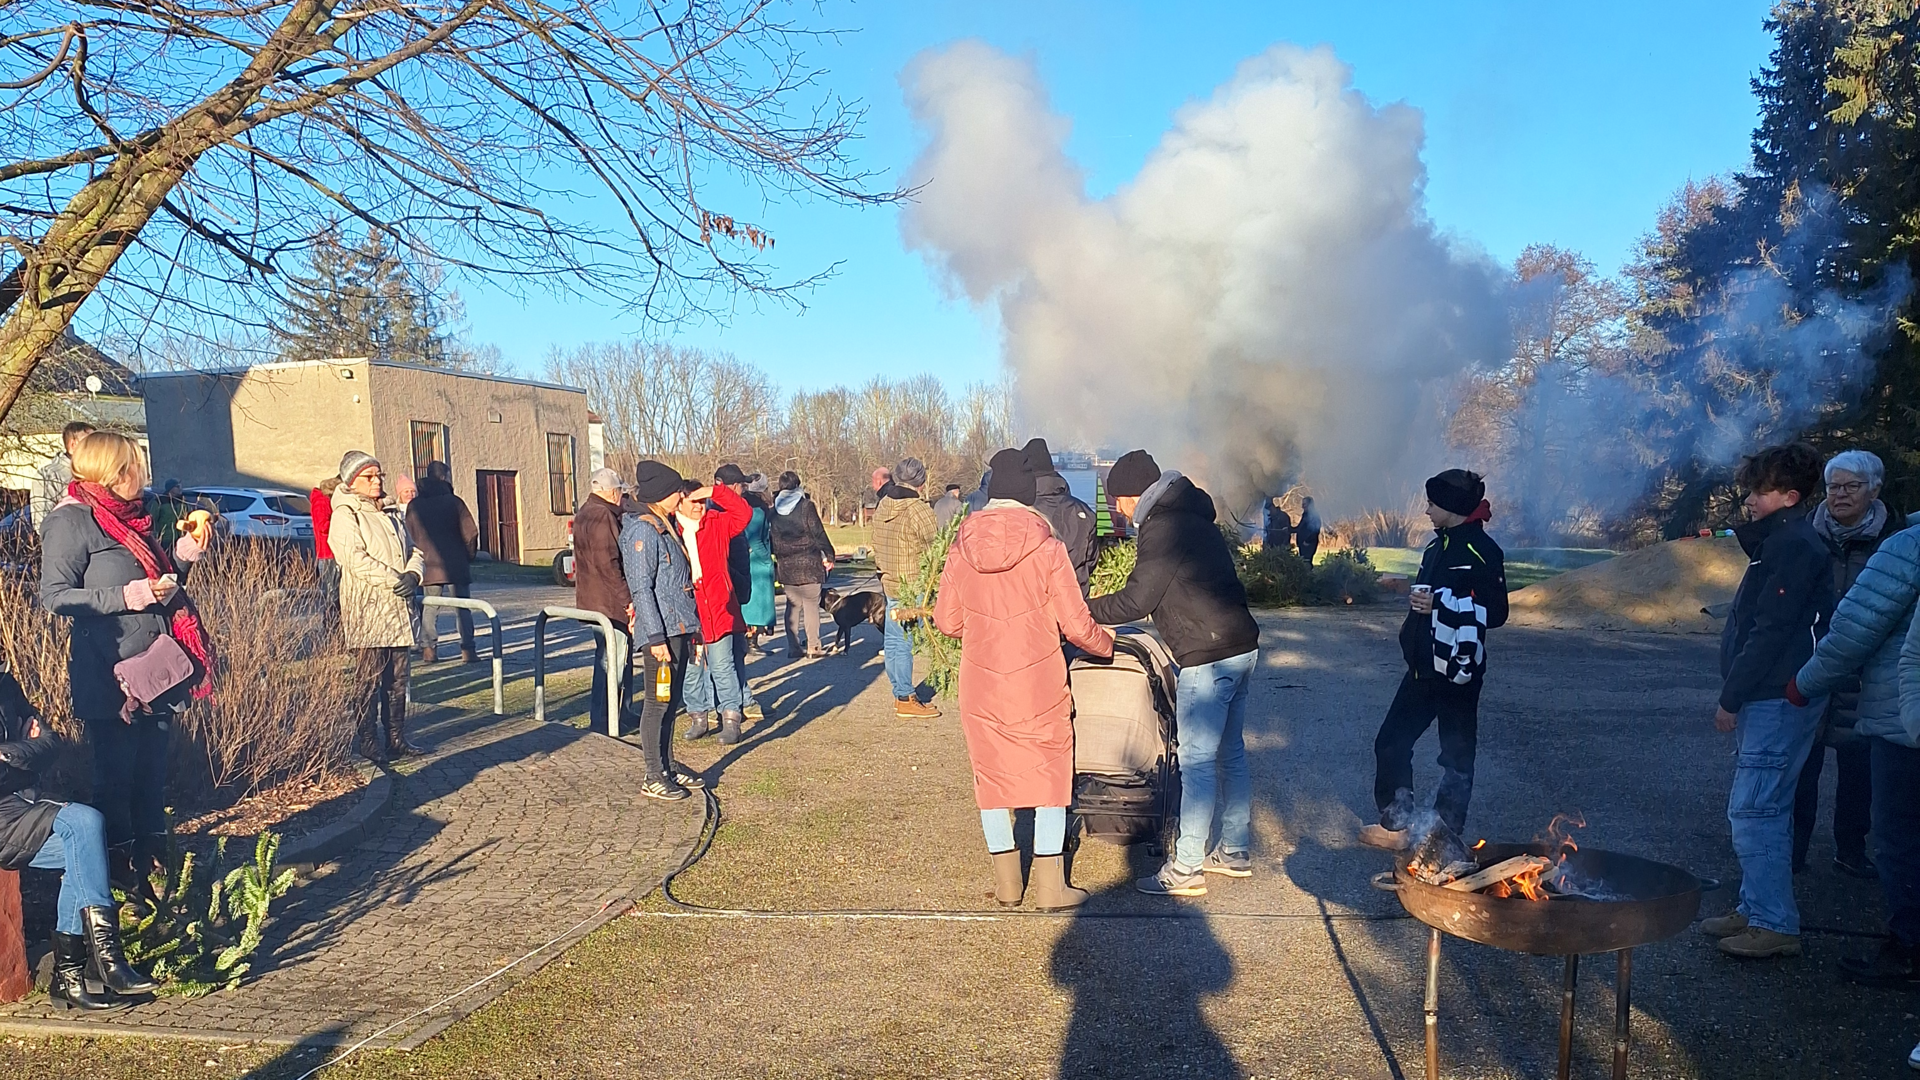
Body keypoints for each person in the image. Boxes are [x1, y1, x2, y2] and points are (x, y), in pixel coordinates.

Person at [935, 448, 1114, 910]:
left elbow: (946, 621)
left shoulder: (961, 548)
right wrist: (1105, 644)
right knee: (1050, 775)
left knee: (991, 778)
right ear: (1028, 497)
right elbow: (1076, 624)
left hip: (982, 681)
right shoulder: (1049, 548)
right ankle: (1051, 887)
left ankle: (1008, 884)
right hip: (1038, 680)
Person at [40, 430, 213, 892]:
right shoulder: (72, 521)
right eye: (135, 465)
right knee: (115, 784)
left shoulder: (132, 520)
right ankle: (117, 889)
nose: (143, 475)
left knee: (150, 782)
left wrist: (183, 555)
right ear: (114, 472)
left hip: (154, 672)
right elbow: (54, 597)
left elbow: (160, 583)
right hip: (108, 676)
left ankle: (158, 884)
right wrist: (128, 595)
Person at [1087, 450, 1262, 897]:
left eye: (1117, 502)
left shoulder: (1163, 526)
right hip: (1242, 646)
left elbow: (1137, 600)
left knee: (1198, 762)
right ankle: (1236, 849)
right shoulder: (1192, 514)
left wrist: (1084, 611)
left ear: (1131, 496)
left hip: (1207, 655)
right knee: (1231, 752)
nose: (1118, 511)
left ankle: (1186, 868)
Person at [1697, 443, 1834, 959]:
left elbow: (1770, 633)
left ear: (1790, 496)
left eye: (1761, 490)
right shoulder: (1779, 543)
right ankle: (1755, 907)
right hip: (1771, 695)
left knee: (1756, 810)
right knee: (1761, 806)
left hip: (1777, 698)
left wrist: (1730, 698)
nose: (1750, 500)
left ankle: (1774, 922)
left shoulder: (1793, 546)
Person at [1361, 469, 1508, 851]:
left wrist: (1441, 603)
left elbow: (1496, 612)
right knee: (1390, 742)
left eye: (1431, 503)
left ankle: (1445, 833)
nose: (1425, 511)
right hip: (1422, 668)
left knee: (1456, 755)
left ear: (1452, 507)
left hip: (1459, 670)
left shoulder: (1484, 551)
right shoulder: (1433, 548)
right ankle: (1398, 824)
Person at [0, 670, 159, 1009]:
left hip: (24, 804)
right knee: (86, 821)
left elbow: (50, 743)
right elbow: (32, 750)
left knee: (85, 844)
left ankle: (68, 978)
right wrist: (24, 751)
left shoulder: (6, 685)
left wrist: (10, 754)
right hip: (5, 817)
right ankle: (108, 961)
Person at [1792, 450, 1898, 879]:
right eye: (1834, 486)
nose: (1839, 495)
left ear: (1874, 490)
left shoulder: (1894, 539)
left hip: (1867, 673)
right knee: (1801, 767)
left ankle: (1851, 851)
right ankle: (1793, 853)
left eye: (1851, 486)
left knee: (1859, 773)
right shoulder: (1804, 536)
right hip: (1811, 666)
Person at [330, 451, 427, 764]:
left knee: (397, 680)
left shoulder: (391, 512)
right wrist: (393, 579)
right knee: (369, 680)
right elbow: (354, 559)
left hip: (398, 608)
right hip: (369, 607)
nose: (377, 482)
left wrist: (414, 574)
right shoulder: (346, 514)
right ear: (352, 481)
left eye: (379, 476)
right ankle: (368, 740)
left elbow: (414, 550)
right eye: (369, 477)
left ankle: (396, 737)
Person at [621, 461, 707, 800]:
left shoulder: (664, 525)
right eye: (676, 493)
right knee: (657, 702)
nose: (681, 497)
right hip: (661, 634)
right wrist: (655, 638)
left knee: (671, 702)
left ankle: (668, 764)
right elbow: (642, 588)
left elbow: (678, 583)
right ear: (660, 495)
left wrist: (692, 629)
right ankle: (653, 773)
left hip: (678, 627)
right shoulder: (643, 530)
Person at [682, 473, 756, 744]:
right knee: (693, 667)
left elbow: (743, 513)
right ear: (680, 503)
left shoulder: (717, 523)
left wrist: (714, 491)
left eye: (702, 501)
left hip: (721, 607)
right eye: (693, 501)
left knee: (723, 666)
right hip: (690, 611)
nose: (698, 506)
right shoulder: (673, 531)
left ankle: (731, 718)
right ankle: (698, 716)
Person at [872, 457, 941, 719]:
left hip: (890, 581)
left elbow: (876, 542)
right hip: (913, 583)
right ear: (921, 482)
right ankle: (904, 695)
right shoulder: (918, 509)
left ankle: (902, 691)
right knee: (904, 641)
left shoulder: (884, 505)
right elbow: (936, 547)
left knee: (893, 639)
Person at [575, 467, 636, 734]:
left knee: (613, 660)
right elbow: (609, 564)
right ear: (612, 492)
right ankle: (604, 720)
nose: (623, 497)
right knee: (612, 663)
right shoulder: (603, 517)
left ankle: (621, 713)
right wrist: (627, 599)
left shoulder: (586, 513)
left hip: (594, 599)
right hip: (608, 603)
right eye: (621, 492)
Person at [406, 461, 480, 664]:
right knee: (463, 607)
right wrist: (469, 555)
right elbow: (470, 533)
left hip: (428, 564)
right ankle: (468, 650)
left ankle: (429, 649)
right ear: (445, 477)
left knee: (430, 607)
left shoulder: (415, 505)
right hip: (455, 562)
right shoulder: (454, 502)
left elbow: (408, 534)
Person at [769, 471, 835, 658]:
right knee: (811, 605)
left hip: (786, 564)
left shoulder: (773, 512)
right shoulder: (806, 506)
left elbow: (770, 538)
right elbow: (818, 532)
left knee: (793, 605)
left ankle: (793, 647)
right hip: (809, 562)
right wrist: (829, 554)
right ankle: (814, 646)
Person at [1025, 438, 1095, 592]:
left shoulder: (1019, 512)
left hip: (1033, 603)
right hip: (1074, 601)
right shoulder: (1083, 511)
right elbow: (1090, 561)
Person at [32, 421, 95, 534]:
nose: (97, 448)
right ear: (73, 445)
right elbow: (42, 524)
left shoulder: (99, 472)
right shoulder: (48, 476)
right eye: (90, 443)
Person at [741, 474, 778, 651]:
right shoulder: (756, 510)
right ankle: (751, 640)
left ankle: (751, 638)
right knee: (755, 604)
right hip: (756, 561)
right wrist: (766, 558)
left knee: (752, 602)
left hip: (751, 559)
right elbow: (754, 538)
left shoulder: (746, 506)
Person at [311, 476, 341, 610]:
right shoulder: (322, 502)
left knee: (336, 593)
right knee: (333, 594)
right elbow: (322, 525)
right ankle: (332, 626)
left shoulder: (324, 501)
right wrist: (341, 521)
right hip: (328, 554)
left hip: (332, 553)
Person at [149, 479, 190, 550]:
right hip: (164, 539)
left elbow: (188, 517)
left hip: (180, 539)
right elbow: (152, 519)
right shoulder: (160, 501)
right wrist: (155, 537)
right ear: (171, 489)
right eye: (177, 486)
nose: (180, 488)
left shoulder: (182, 501)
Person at [1296, 496, 1323, 566]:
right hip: (1302, 544)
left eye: (1304, 504)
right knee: (1303, 563)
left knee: (1307, 563)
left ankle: (1309, 576)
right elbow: (1299, 528)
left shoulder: (1314, 516)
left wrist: (1307, 541)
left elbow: (1316, 531)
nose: (1302, 506)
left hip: (1309, 544)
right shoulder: (1305, 515)